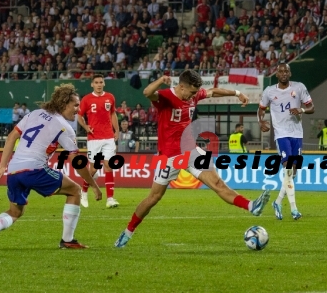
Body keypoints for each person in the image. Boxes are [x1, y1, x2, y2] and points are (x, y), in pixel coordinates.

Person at [114, 70, 271, 248]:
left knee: (217, 183)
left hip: (190, 151)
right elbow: (147, 93)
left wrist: (237, 93)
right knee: (154, 197)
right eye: (192, 92)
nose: (195, 96)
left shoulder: (193, 95)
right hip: (169, 156)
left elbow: (212, 91)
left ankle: (251, 206)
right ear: (181, 87)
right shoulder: (166, 97)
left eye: (196, 93)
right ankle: (127, 233)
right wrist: (160, 80)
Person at [0, 84, 102, 250]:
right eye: (75, 105)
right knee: (75, 191)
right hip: (34, 170)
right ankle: (68, 240)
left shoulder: (35, 114)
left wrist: (2, 166)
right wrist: (93, 185)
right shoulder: (64, 127)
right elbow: (77, 162)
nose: (78, 109)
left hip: (14, 171)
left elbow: (11, 137)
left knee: (15, 212)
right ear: (63, 104)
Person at [258, 63, 314, 221]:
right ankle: (294, 209)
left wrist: (301, 110)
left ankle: (277, 202)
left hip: (297, 133)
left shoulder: (299, 87)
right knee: (288, 169)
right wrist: (260, 121)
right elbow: (261, 108)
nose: (283, 73)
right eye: (280, 71)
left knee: (293, 173)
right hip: (281, 134)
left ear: (290, 73)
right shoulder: (269, 91)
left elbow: (311, 107)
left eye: (286, 71)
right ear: (276, 74)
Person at [77, 74, 120, 208]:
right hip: (94, 138)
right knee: (94, 169)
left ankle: (110, 199)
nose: (99, 84)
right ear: (92, 84)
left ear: (104, 84)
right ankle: (83, 192)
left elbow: (113, 114)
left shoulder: (110, 97)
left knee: (109, 166)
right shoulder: (86, 99)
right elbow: (79, 115)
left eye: (101, 82)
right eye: (96, 82)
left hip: (108, 137)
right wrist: (85, 127)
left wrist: (117, 130)